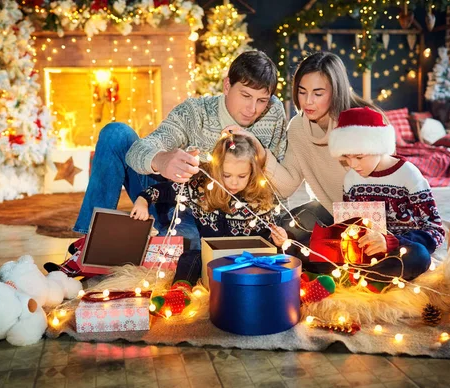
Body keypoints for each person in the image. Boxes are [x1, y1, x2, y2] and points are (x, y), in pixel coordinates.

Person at [73, 50, 288, 251]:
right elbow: (138, 151)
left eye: (261, 100)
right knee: (116, 134)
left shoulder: (272, 111)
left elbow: (278, 183)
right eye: (245, 95)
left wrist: (276, 230)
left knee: (191, 250)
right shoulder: (194, 112)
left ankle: (153, 244)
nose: (253, 109)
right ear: (226, 86)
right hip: (176, 201)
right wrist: (161, 160)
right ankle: (88, 243)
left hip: (221, 220)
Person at [130, 134, 335, 315]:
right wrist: (143, 200)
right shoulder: (201, 187)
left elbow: (269, 232)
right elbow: (165, 190)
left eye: (242, 176)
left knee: (284, 253)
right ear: (217, 170)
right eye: (227, 175)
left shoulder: (260, 195)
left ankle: (303, 286)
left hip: (251, 262)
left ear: (252, 172)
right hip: (213, 260)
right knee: (190, 257)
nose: (234, 183)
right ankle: (179, 294)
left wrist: (279, 237)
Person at [229, 52, 379, 245]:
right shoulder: (298, 127)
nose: (308, 101)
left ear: (336, 90)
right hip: (327, 210)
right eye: (301, 92)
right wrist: (259, 150)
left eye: (318, 94)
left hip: (372, 217)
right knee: (275, 233)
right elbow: (287, 185)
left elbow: (387, 180)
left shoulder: (364, 122)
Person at [328, 106, 445, 286]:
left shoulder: (408, 174)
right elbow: (350, 224)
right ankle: (368, 277)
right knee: (313, 248)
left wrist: (392, 242)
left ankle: (362, 278)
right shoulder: (351, 179)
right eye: (347, 157)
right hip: (362, 253)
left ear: (378, 146)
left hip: (400, 250)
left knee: (419, 257)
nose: (352, 164)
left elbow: (435, 230)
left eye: (359, 157)